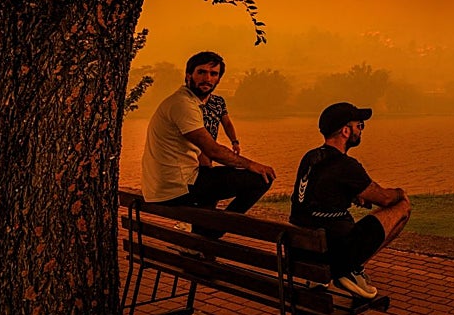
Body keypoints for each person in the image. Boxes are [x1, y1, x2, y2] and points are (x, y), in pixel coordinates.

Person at [140, 51, 276, 234]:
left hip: (165, 185)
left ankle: (205, 233)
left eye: (213, 74)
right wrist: (252, 165)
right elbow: (213, 150)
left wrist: (232, 144)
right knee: (262, 178)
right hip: (176, 187)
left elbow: (206, 144)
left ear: (218, 79)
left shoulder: (190, 102)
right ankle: (216, 230)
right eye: (201, 72)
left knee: (210, 178)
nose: (207, 78)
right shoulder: (183, 104)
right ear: (188, 75)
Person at [290, 102, 411, 299]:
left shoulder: (310, 158)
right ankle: (352, 269)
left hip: (305, 251)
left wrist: (350, 194)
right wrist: (400, 193)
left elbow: (316, 193)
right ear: (345, 131)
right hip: (336, 252)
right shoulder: (346, 165)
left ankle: (333, 274)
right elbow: (385, 198)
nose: (361, 130)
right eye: (359, 125)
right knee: (402, 208)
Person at [197, 89, 240, 167]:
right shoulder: (189, 102)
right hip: (193, 145)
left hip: (210, 147)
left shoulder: (218, 102)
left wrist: (234, 142)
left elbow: (227, 123)